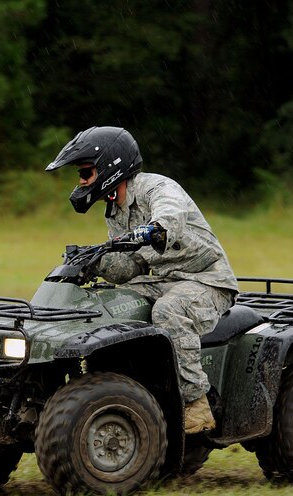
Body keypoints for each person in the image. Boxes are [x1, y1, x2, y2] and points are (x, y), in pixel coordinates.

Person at [46, 126, 237, 434]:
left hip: (205, 281)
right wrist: (95, 262)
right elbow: (130, 267)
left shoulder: (157, 188)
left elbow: (169, 219)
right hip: (162, 280)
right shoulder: (114, 211)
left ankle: (197, 404)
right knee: (108, 303)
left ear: (109, 166)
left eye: (85, 174)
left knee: (168, 311)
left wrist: (153, 229)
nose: (81, 183)